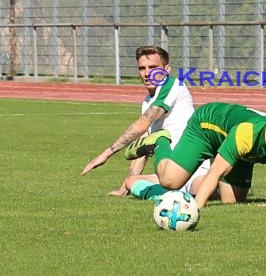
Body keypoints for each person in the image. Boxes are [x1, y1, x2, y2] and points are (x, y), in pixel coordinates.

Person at [120, 100, 266, 209]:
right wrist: (194, 209)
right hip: (206, 128)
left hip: (241, 150)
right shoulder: (248, 133)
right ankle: (160, 141)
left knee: (231, 203)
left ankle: (181, 186)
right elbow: (215, 173)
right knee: (170, 182)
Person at [81, 45, 210, 197]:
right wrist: (122, 189)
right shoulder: (147, 102)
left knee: (208, 190)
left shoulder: (173, 84)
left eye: (153, 67)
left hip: (192, 168)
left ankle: (199, 189)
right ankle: (173, 196)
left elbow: (144, 123)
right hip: (167, 171)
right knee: (131, 182)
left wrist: (106, 154)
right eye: (142, 68)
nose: (148, 73)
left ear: (167, 70)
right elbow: (145, 145)